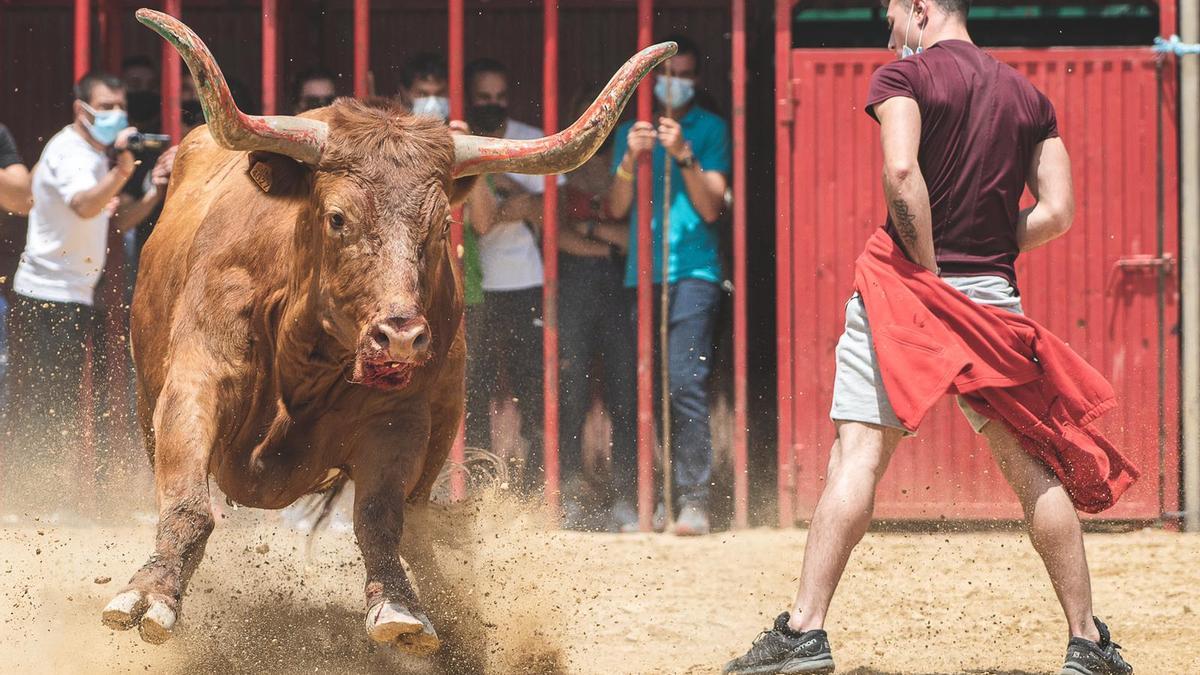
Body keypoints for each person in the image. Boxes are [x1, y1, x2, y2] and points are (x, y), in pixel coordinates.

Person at [723, 2, 1132, 674]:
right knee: (1032, 468)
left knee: (857, 456)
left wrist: (931, 269)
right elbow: (1057, 212)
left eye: (892, 16)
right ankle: (1087, 641)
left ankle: (804, 630)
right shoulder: (1029, 97)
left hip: (905, 291)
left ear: (922, 7)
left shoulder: (901, 81)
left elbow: (903, 171)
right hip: (991, 302)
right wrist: (991, 251)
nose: (890, 34)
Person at [4, 72, 171, 513]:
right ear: (83, 110)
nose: (116, 114)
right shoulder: (70, 151)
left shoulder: (96, 156)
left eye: (121, 105)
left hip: (77, 295)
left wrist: (151, 188)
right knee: (49, 401)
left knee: (77, 400)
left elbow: (115, 221)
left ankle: (58, 500)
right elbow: (84, 205)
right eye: (107, 105)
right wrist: (122, 171)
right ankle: (32, 501)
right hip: (48, 294)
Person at [602, 34, 730, 535]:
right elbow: (615, 208)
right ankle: (641, 496)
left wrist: (683, 155)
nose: (673, 84)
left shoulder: (711, 129)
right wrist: (632, 161)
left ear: (696, 81)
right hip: (643, 275)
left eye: (683, 75)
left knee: (683, 384)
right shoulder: (631, 131)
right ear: (650, 79)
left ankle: (692, 498)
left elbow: (711, 206)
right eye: (665, 75)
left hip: (694, 274)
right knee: (637, 389)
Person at [461, 57, 560, 496]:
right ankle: (478, 487)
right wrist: (510, 206)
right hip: (473, 289)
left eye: (499, 97)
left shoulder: (529, 139)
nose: (492, 104)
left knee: (531, 390)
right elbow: (483, 222)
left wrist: (503, 198)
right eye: (483, 97)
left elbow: (544, 209)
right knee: (474, 392)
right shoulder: (457, 139)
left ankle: (536, 487)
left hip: (525, 281)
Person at [555, 88, 637, 530]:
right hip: (573, 290)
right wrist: (605, 237)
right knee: (570, 393)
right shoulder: (560, 166)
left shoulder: (625, 168)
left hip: (619, 291)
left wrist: (586, 232)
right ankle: (569, 490)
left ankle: (628, 493)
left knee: (626, 392)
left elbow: (634, 238)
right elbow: (556, 236)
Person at [397, 52, 449, 120]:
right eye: (423, 94)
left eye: (440, 93)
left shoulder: (462, 127)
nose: (433, 106)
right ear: (404, 93)